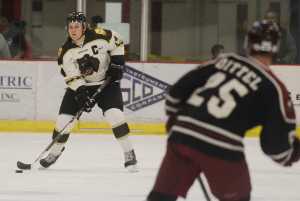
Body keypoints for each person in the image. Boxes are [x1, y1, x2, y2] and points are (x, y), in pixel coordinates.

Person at [146, 20, 300, 201]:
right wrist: (294, 152)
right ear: (276, 48)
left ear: (247, 43)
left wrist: (176, 119)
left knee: (162, 196)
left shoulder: (224, 61)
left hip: (182, 136)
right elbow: (275, 147)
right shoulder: (274, 88)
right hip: (222, 147)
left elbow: (175, 94)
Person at [39, 11, 138, 172]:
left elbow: (118, 41)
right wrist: (81, 93)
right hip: (81, 86)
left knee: (115, 115)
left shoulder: (99, 35)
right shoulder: (65, 51)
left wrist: (117, 63)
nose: (73, 30)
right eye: (70, 27)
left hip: (107, 84)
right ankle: (55, 152)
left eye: (77, 26)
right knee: (63, 122)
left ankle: (129, 152)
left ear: (84, 26)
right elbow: (70, 76)